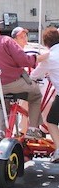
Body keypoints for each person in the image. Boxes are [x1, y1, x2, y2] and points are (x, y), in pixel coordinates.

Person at [0, 15, 46, 139]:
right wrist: (39, 58)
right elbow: (23, 60)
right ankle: (32, 129)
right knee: (36, 95)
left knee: (3, 103)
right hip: (15, 84)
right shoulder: (5, 40)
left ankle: (1, 132)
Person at [30, 27, 59, 163]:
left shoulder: (49, 57)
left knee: (51, 120)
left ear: (46, 44)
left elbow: (34, 75)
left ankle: (58, 149)